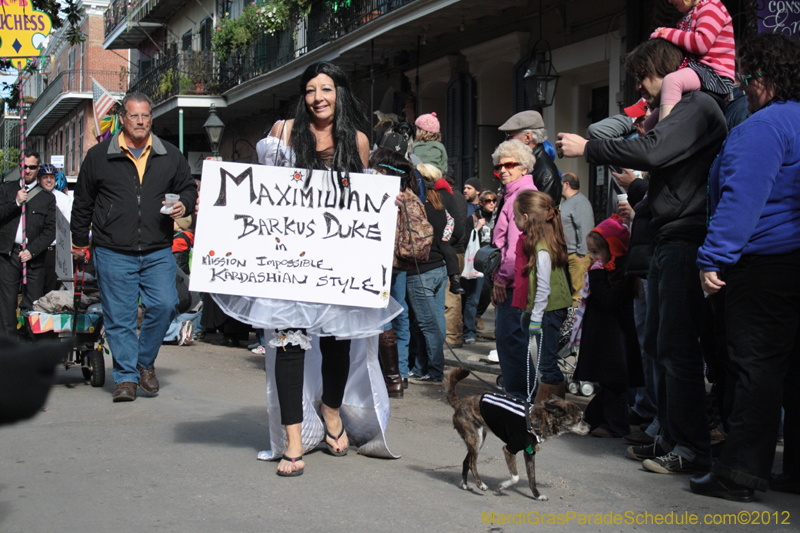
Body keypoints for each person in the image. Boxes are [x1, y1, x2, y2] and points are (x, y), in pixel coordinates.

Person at [216, 61, 400, 476]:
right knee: (288, 345)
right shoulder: (282, 133)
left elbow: (363, 205)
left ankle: (330, 410)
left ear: (340, 94)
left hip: (335, 265)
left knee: (339, 344)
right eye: (311, 90)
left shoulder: (358, 141)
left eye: (327, 89)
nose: (319, 97)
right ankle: (294, 440)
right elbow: (258, 191)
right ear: (303, 96)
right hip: (289, 264)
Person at [557, 38, 728, 474]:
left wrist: (589, 148)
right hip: (671, 237)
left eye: (642, 78)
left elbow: (654, 151)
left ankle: (689, 447)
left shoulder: (697, 107)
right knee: (660, 345)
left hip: (684, 238)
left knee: (676, 348)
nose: (642, 90)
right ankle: (671, 435)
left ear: (662, 70)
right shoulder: (684, 110)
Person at [690, 33, 800, 502]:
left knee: (754, 368)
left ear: (767, 79)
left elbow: (742, 197)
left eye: (748, 78)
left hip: (765, 265)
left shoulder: (763, 126)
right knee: (792, 371)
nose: (744, 89)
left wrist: (713, 257)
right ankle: (793, 471)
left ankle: (739, 473)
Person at [71, 92, 197, 403]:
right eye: (134, 116)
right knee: (120, 316)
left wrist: (184, 204)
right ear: (123, 119)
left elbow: (187, 189)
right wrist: (78, 242)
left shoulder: (170, 154)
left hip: (156, 248)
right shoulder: (99, 156)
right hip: (112, 249)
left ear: (151, 118)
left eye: (145, 116)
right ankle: (126, 378)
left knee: (166, 304)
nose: (140, 122)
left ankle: (144, 363)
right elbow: (83, 203)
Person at [571, 215, 642, 437]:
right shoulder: (604, 270)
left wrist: (598, 274)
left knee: (613, 381)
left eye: (596, 252)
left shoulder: (620, 273)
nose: (591, 257)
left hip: (615, 337)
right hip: (604, 335)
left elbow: (608, 299)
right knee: (607, 381)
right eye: (590, 251)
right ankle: (594, 418)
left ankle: (616, 425)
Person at [511, 190, 572, 404]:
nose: (514, 219)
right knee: (546, 361)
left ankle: (548, 405)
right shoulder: (545, 240)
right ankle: (552, 402)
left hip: (548, 311)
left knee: (547, 363)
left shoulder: (540, 247)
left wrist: (535, 317)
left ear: (526, 218)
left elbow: (543, 287)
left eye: (515, 215)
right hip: (547, 310)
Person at [490, 139, 539, 399]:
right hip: (516, 278)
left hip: (515, 280)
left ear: (524, 167)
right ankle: (522, 395)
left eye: (510, 165)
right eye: (500, 166)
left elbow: (515, 245)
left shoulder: (520, 196)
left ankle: (521, 397)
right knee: (513, 341)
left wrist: (502, 279)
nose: (504, 170)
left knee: (511, 342)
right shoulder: (512, 194)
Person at [370, 147, 420, 396]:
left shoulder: (388, 193)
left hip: (381, 263)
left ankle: (390, 376)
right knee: (398, 314)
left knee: (382, 316)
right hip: (399, 264)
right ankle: (398, 374)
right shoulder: (409, 193)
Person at [407, 162, 461, 385]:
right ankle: (424, 367)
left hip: (423, 269)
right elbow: (457, 231)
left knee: (426, 324)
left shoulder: (419, 205)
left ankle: (435, 369)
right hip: (439, 267)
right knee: (434, 320)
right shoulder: (442, 201)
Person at [648, 0, 735, 123]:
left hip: (715, 75)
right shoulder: (693, 14)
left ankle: (664, 137)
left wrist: (665, 33)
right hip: (698, 71)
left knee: (672, 81)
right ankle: (654, 136)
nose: (669, 1)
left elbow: (701, 43)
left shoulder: (711, 7)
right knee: (650, 122)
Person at [0, 150, 56, 337]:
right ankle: (9, 348)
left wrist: (31, 251)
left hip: (34, 259)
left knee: (34, 305)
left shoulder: (46, 198)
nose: (28, 171)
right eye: (24, 167)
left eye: (32, 167)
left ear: (38, 168)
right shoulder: (6, 190)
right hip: (9, 256)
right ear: (19, 166)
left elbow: (50, 231)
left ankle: (31, 347)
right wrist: (15, 203)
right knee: (7, 305)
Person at [498, 111, 561, 206]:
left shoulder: (545, 173)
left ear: (528, 137)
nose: (506, 141)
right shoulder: (524, 162)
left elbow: (539, 215)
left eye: (509, 136)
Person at [559, 172, 594, 305]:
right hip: (567, 254)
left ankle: (575, 324)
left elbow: (585, 229)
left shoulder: (580, 202)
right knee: (569, 294)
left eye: (560, 183)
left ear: (566, 184)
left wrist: (581, 253)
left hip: (577, 256)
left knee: (578, 295)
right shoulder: (567, 202)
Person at [36, 164, 72, 294]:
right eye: (45, 177)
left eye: (51, 177)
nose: (49, 180)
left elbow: (68, 225)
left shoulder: (63, 199)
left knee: (52, 290)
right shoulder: (33, 196)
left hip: (54, 251)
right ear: (39, 179)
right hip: (36, 250)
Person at [474, 190, 496, 334]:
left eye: (494, 200)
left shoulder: (498, 216)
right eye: (488, 201)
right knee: (480, 290)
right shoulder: (475, 216)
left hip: (493, 257)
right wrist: (477, 227)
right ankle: (475, 316)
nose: (492, 203)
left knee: (490, 291)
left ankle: (478, 315)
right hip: (478, 257)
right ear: (481, 203)